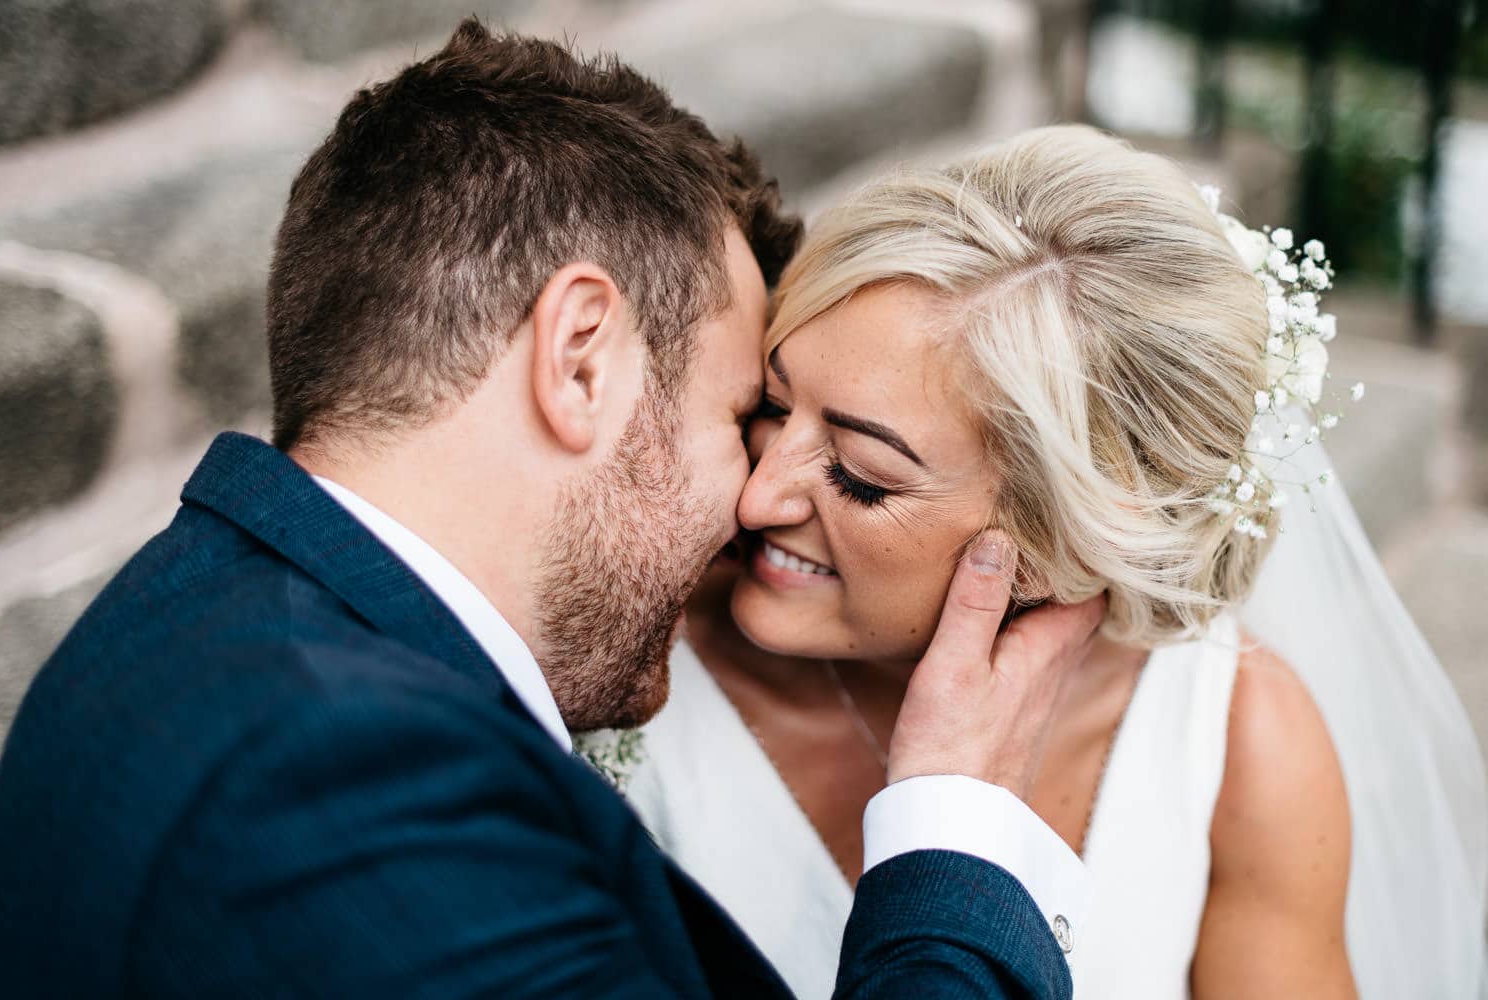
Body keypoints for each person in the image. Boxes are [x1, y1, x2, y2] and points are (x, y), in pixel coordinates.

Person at [0, 22, 1106, 999]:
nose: (754, 500)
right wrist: (956, 827)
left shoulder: (213, 607)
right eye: (736, 415)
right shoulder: (344, 782)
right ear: (580, 360)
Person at [624, 126, 1488, 998]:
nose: (756, 496)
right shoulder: (615, 662)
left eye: (860, 476)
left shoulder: (1237, 744)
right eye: (770, 403)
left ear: (1058, 549)